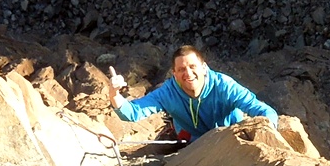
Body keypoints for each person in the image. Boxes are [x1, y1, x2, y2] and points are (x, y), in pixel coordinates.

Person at [108, 45, 278, 142]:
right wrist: (114, 93)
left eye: (192, 67)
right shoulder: (168, 92)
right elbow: (132, 113)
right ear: (173, 73)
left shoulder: (224, 86)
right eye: (181, 69)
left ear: (204, 68)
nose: (188, 73)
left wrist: (268, 134)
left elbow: (264, 111)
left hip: (232, 138)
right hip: (194, 145)